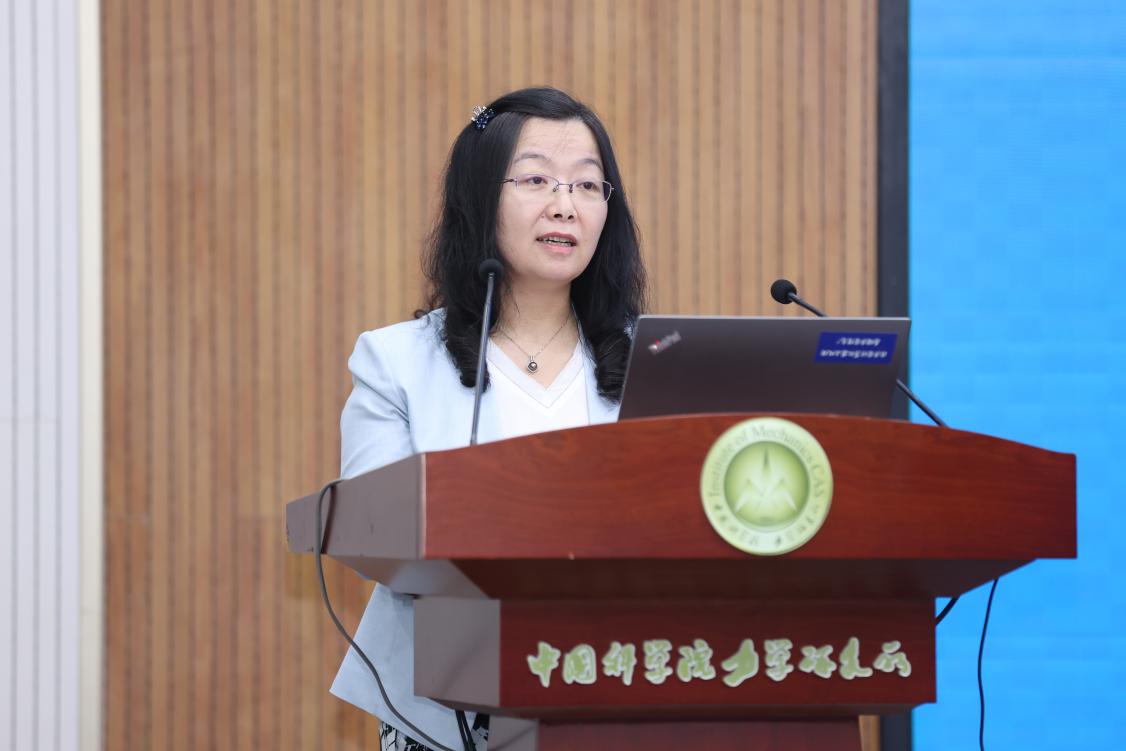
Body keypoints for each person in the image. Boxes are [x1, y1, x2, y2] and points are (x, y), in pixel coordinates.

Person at [330, 87, 647, 751]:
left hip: (620, 692)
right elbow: (371, 532)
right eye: (536, 179)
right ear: (480, 199)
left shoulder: (653, 362)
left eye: (588, 185)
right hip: (445, 714)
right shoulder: (396, 362)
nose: (565, 204)